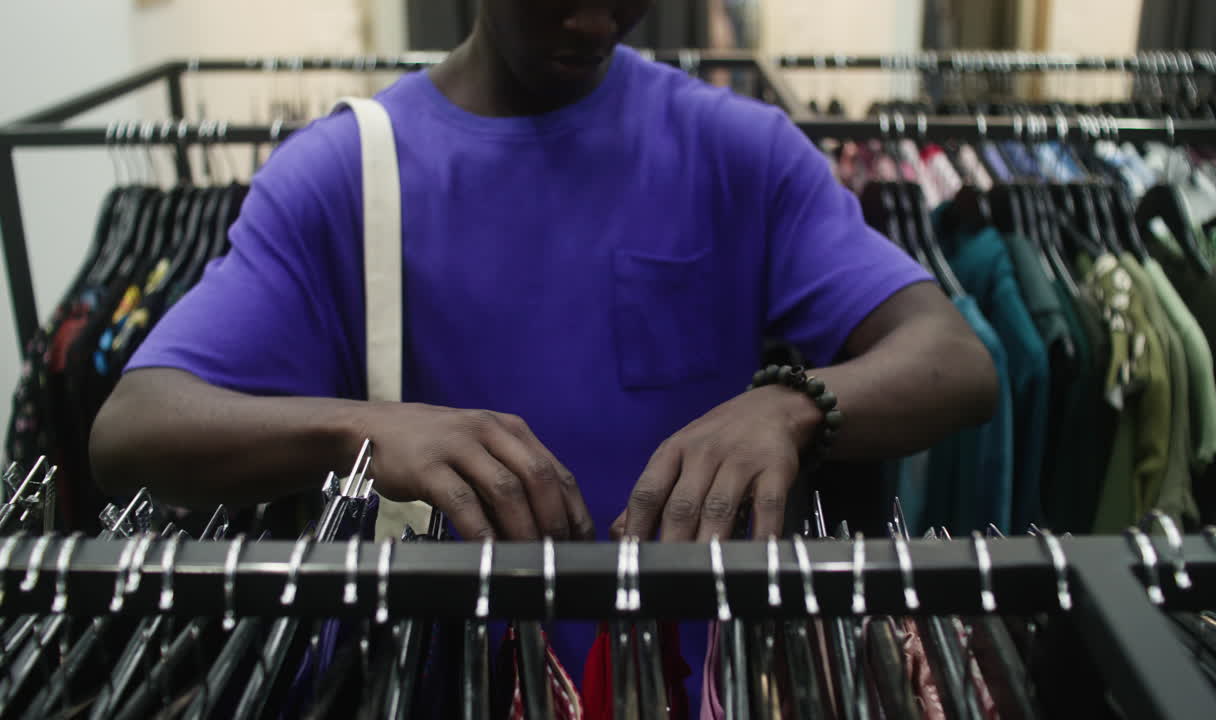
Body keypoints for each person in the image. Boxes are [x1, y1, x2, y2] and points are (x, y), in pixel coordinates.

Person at [89, 0, 997, 699]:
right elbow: (136, 424)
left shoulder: (736, 149)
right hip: (437, 683)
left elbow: (951, 356)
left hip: (688, 683)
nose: (597, 20)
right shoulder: (342, 176)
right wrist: (362, 432)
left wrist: (792, 405)